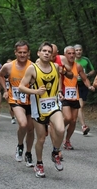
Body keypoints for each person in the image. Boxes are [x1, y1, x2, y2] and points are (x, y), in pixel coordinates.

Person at [18, 41, 64, 178]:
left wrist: (59, 91)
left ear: (52, 55)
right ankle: (39, 163)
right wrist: (36, 92)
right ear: (39, 53)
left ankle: (55, 152)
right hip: (39, 107)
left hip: (53, 105)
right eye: (44, 51)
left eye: (49, 52)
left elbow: (58, 80)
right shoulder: (32, 68)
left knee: (61, 129)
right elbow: (21, 86)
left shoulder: (55, 67)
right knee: (41, 139)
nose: (47, 53)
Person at [0, 40, 35, 166]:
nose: (22, 55)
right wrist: (5, 89)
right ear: (15, 53)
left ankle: (28, 153)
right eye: (20, 52)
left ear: (29, 53)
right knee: (23, 123)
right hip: (15, 99)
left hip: (30, 100)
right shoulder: (8, 66)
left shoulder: (33, 66)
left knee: (31, 129)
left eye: (25, 52)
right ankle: (20, 145)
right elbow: (0, 75)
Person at [61, 46, 94, 150]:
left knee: (74, 121)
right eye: (69, 53)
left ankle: (67, 140)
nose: (71, 55)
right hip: (64, 95)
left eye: (73, 53)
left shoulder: (78, 66)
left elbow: (84, 79)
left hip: (75, 96)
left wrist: (89, 86)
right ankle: (58, 129)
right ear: (65, 55)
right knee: (68, 117)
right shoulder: (61, 66)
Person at [74, 44, 95, 135]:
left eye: (80, 50)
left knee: (82, 105)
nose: (78, 52)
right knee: (80, 105)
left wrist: (87, 75)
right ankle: (83, 126)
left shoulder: (86, 60)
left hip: (84, 84)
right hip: (75, 84)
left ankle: (77, 118)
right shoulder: (71, 60)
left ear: (82, 51)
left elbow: (93, 70)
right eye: (76, 50)